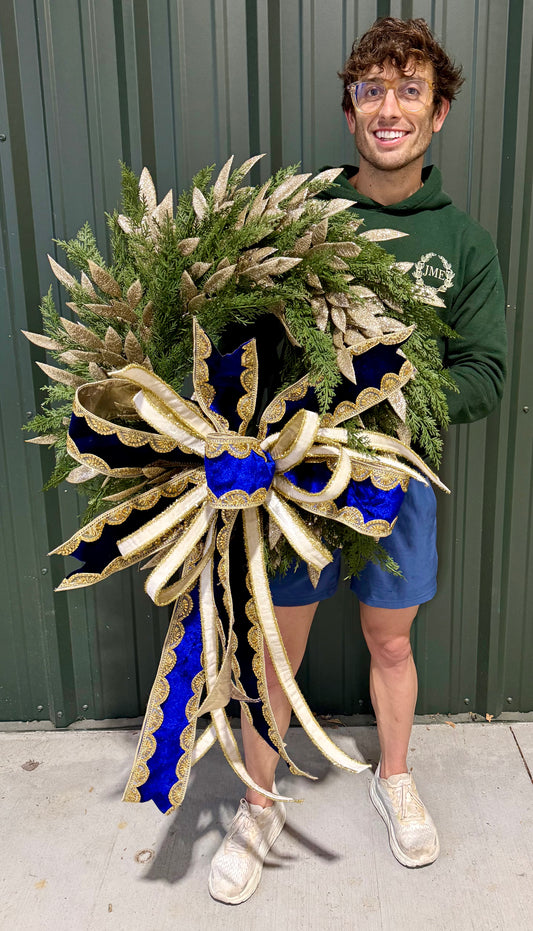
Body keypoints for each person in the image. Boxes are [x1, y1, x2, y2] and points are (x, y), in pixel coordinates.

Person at [208, 17, 507, 904]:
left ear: (439, 111)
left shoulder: (464, 243)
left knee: (390, 637)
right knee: (276, 645)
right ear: (350, 112)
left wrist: (386, 407)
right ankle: (256, 800)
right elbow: (235, 338)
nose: (389, 108)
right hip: (293, 481)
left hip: (397, 482)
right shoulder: (297, 218)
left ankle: (395, 776)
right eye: (371, 90)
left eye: (409, 89)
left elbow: (485, 374)